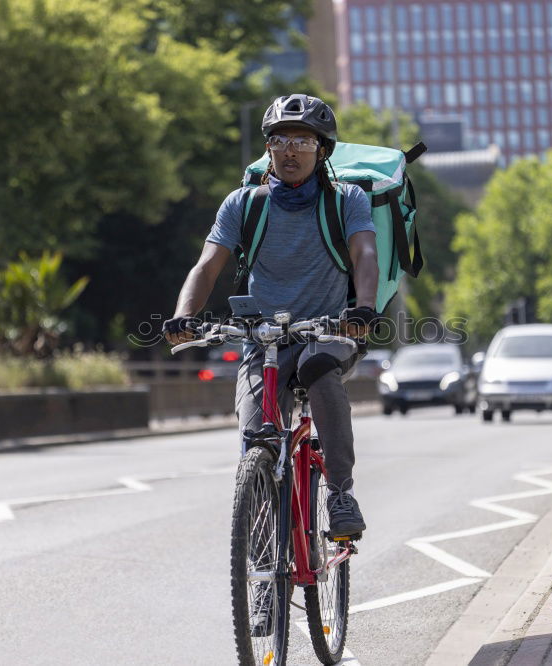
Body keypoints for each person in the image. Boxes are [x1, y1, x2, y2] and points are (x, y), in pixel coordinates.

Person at [163, 94, 379, 537]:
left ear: (322, 150)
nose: (290, 149)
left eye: (303, 140)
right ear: (268, 149)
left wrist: (363, 309)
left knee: (318, 366)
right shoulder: (243, 204)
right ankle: (262, 545)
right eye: (280, 139)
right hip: (264, 339)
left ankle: (340, 493)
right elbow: (207, 265)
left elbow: (365, 252)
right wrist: (184, 315)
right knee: (257, 434)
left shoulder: (346, 200)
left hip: (330, 329)